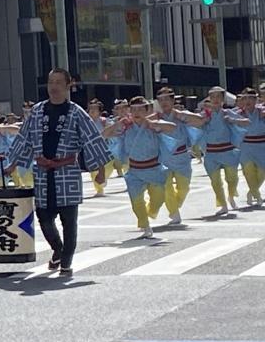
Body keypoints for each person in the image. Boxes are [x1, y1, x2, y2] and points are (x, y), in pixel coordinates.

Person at [4, 68, 113, 277]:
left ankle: (66, 261)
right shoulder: (37, 111)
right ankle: (58, 249)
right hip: (43, 172)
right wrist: (13, 164)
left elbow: (93, 139)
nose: (53, 86)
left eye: (58, 82)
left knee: (69, 222)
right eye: (50, 82)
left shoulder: (76, 112)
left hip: (67, 171)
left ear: (67, 85)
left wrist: (100, 170)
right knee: (44, 218)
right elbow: (24, 138)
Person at [101, 97, 176, 239]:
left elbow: (172, 127)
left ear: (147, 110)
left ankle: (150, 212)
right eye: (133, 109)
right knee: (136, 201)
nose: (137, 112)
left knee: (158, 199)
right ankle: (145, 225)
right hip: (134, 170)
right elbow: (104, 135)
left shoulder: (153, 125)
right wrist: (119, 123)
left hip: (154, 168)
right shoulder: (126, 127)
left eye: (141, 109)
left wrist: (154, 124)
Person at [150, 87, 204, 223]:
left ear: (173, 100)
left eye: (167, 99)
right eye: (160, 100)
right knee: (167, 187)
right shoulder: (156, 117)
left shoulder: (181, 115)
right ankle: (174, 212)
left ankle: (174, 206)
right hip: (163, 159)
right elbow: (141, 123)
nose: (164, 102)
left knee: (183, 188)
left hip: (182, 157)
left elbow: (200, 120)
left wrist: (182, 115)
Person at [200, 86, 248, 215]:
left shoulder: (227, 112)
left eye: (218, 97)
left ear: (223, 99)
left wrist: (232, 120)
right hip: (211, 152)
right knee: (215, 182)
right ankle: (222, 204)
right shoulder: (205, 114)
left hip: (228, 150)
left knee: (232, 179)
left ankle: (231, 196)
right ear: (209, 99)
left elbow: (246, 122)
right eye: (213, 97)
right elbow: (192, 123)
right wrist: (203, 121)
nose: (215, 100)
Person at [236, 87, 265, 207]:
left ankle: (252, 191)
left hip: (262, 146)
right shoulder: (237, 114)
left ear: (256, 100)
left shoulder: (262, 112)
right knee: (249, 173)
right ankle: (256, 195)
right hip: (245, 147)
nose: (248, 101)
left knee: (262, 173)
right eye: (245, 98)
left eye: (251, 98)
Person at [86, 100, 109, 196]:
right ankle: (99, 189)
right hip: (91, 150)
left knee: (106, 169)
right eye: (90, 108)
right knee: (93, 172)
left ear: (99, 111)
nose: (92, 111)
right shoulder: (85, 122)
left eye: (95, 108)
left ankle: (103, 180)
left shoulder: (104, 121)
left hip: (104, 149)